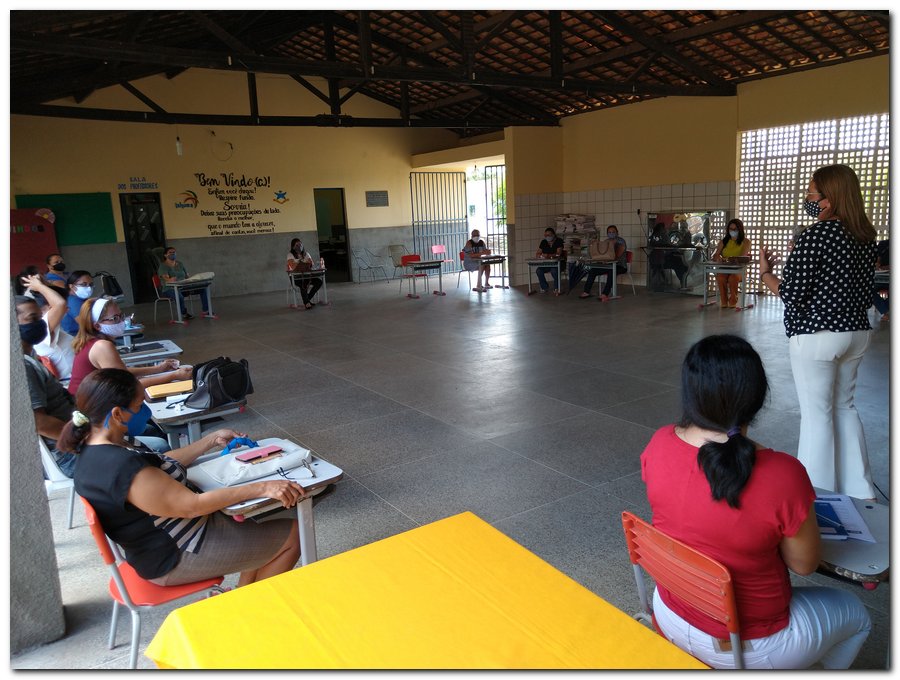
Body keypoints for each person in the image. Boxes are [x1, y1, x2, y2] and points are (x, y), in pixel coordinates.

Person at [641, 334, 871, 670]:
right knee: (857, 615)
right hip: (750, 644)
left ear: (691, 394)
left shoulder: (659, 443)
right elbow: (804, 565)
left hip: (670, 610)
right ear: (757, 399)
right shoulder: (782, 474)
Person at [62, 368, 304, 586]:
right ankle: (249, 612)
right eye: (138, 406)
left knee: (261, 536)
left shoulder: (97, 445)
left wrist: (210, 440)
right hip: (175, 553)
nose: (144, 411)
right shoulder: (121, 467)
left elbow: (162, 463)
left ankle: (241, 598)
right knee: (295, 534)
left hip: (169, 538)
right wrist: (263, 487)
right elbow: (191, 506)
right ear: (117, 414)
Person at [760, 163, 878, 499]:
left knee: (817, 415)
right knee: (845, 407)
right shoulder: (865, 237)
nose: (808, 198)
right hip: (855, 331)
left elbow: (793, 294)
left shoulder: (815, 235)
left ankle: (817, 499)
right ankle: (861, 490)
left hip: (818, 334)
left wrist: (766, 273)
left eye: (811, 193)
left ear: (828, 200)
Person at [67, 297, 192, 395]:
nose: (121, 321)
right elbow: (127, 386)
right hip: (87, 409)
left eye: (121, 316)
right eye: (115, 318)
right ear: (97, 326)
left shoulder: (92, 341)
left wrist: (158, 369)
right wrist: (174, 375)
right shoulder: (101, 346)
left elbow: (121, 372)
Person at [21, 273, 76, 380]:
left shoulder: (49, 325)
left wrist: (43, 284)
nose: (67, 309)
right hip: (68, 382)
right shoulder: (42, 326)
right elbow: (60, 304)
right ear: (50, 306)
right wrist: (39, 287)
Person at [157, 246, 212, 320]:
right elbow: (165, 278)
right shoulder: (163, 266)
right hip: (169, 289)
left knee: (203, 289)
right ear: (165, 255)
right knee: (179, 296)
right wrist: (170, 279)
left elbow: (186, 276)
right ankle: (184, 313)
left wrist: (191, 279)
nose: (173, 254)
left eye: (174, 252)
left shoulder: (180, 264)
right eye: (170, 253)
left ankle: (206, 311)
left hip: (183, 287)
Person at [711, 218, 752, 308]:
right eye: (731, 229)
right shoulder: (723, 242)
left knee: (732, 278)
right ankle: (724, 301)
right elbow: (715, 255)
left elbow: (743, 256)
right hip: (724, 268)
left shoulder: (746, 242)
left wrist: (731, 259)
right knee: (720, 277)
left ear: (740, 229)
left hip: (739, 269)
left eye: (735, 229)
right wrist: (718, 257)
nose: (732, 231)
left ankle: (733, 300)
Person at [580, 225, 626, 300]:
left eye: (613, 232)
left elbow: (617, 256)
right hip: (607, 265)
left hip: (620, 266)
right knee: (593, 271)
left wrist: (612, 246)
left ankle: (605, 294)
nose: (611, 234)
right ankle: (586, 292)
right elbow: (602, 255)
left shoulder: (621, 241)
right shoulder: (606, 242)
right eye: (609, 232)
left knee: (612, 272)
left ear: (617, 232)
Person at [648, 222, 688, 290]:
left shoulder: (658, 236)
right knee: (678, 264)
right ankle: (683, 283)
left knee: (679, 262)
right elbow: (665, 246)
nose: (665, 230)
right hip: (661, 260)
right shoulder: (659, 236)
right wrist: (674, 249)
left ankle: (682, 282)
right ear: (660, 229)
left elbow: (667, 246)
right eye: (664, 229)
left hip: (662, 258)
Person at [286, 238, 322, 310]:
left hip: (307, 275)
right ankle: (307, 303)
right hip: (295, 277)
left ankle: (307, 298)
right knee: (304, 284)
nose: (299, 246)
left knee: (319, 282)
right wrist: (302, 262)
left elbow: (311, 264)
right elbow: (292, 266)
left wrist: (300, 262)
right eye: (297, 245)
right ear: (293, 246)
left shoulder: (306, 254)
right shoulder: (290, 255)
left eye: (300, 244)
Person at [61, 270, 94, 335]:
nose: (89, 287)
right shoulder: (73, 301)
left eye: (91, 284)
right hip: (78, 338)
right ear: (71, 286)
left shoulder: (81, 299)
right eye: (84, 284)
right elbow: (87, 325)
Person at [534, 228, 564, 293]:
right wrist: (540, 255)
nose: (547, 237)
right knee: (539, 270)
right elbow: (538, 253)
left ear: (553, 235)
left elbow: (558, 253)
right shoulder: (544, 242)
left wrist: (548, 255)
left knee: (554, 270)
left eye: (549, 235)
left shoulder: (559, 241)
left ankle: (556, 288)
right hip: (547, 263)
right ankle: (544, 287)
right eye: (545, 235)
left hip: (557, 263)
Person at [873, 238, 889, 322]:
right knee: (868, 290)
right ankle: (885, 311)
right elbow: (877, 258)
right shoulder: (883, 244)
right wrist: (877, 264)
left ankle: (885, 312)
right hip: (881, 276)